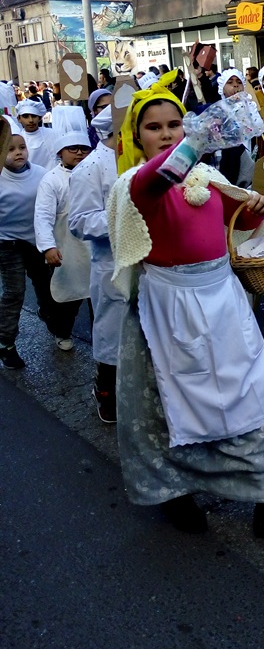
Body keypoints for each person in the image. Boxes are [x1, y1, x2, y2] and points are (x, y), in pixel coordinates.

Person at [107, 72, 264, 541]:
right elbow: (161, 176)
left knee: (257, 395)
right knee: (169, 409)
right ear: (136, 136)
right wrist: (197, 140)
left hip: (223, 301)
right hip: (168, 309)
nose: (167, 134)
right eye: (154, 127)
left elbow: (233, 226)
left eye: (175, 125)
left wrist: (255, 209)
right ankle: (176, 492)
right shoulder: (135, 185)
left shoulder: (209, 177)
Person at [69, 105, 124, 424]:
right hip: (111, 267)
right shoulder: (90, 168)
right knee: (113, 339)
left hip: (152, 266)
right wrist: (124, 219)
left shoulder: (144, 160)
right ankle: (106, 393)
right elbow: (79, 222)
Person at [0, 124, 55, 369]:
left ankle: (50, 317)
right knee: (14, 293)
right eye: (10, 149)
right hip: (7, 244)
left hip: (36, 242)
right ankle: (6, 343)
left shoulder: (42, 174)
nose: (18, 153)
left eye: (22, 147)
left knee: (46, 286)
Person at [33, 131, 93, 351]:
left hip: (96, 246)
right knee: (68, 297)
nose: (79, 153)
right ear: (60, 152)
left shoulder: (96, 172)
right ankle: (62, 332)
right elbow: (42, 215)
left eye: (83, 148)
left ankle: (102, 339)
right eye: (72, 148)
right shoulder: (51, 180)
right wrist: (48, 247)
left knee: (100, 297)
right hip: (68, 247)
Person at [16, 100, 57, 170]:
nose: (31, 120)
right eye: (26, 116)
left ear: (40, 118)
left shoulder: (51, 133)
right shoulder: (18, 139)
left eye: (34, 116)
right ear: (19, 119)